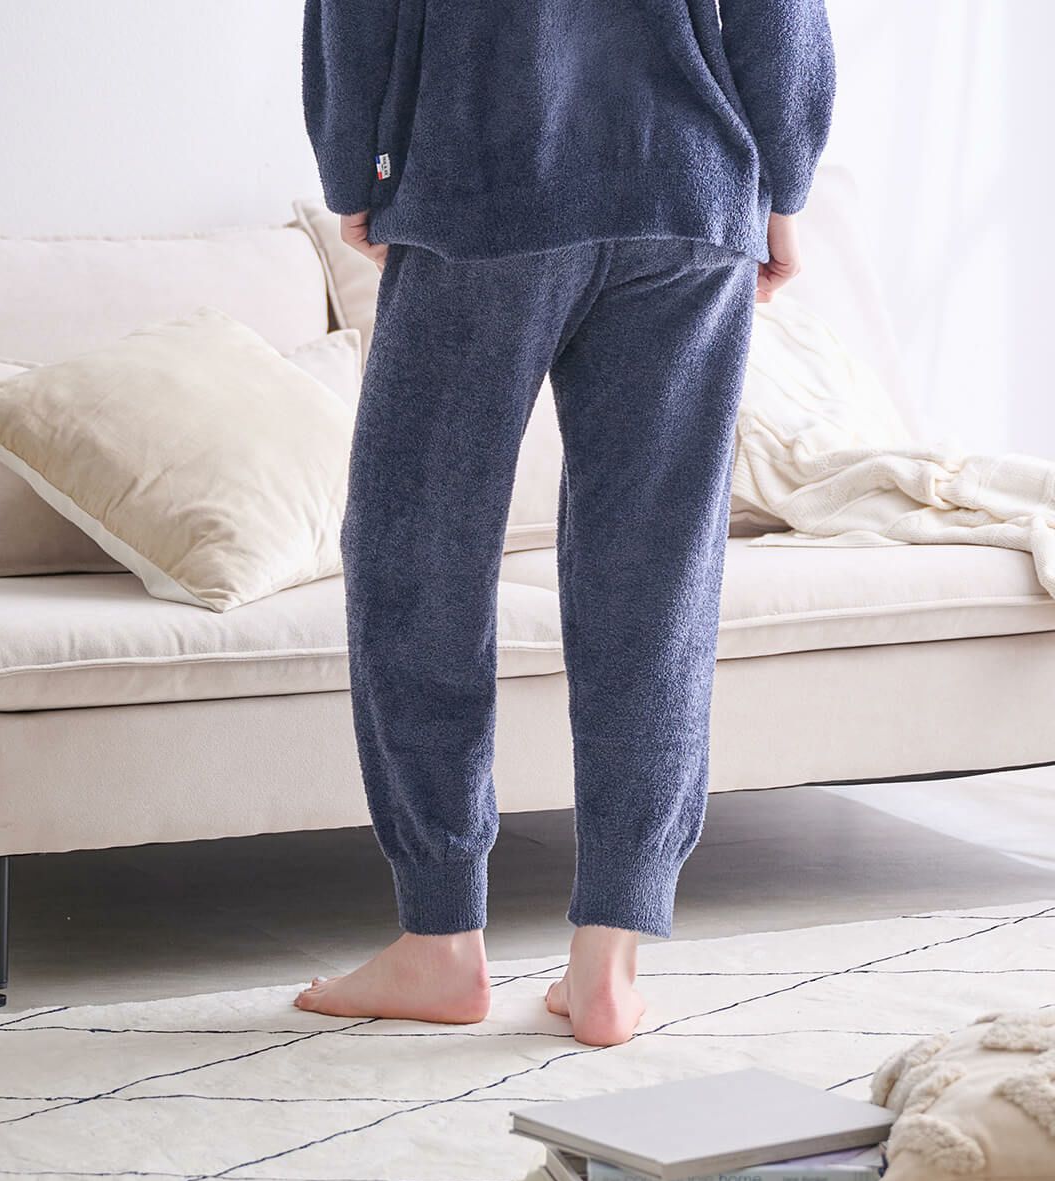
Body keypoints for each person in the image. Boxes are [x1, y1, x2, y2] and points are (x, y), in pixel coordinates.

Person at [295, 0, 835, 1046]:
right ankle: (609, 964)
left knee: (418, 552)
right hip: (691, 184)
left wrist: (353, 163)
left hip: (478, 179)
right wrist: (782, 183)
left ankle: (440, 939)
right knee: (655, 572)